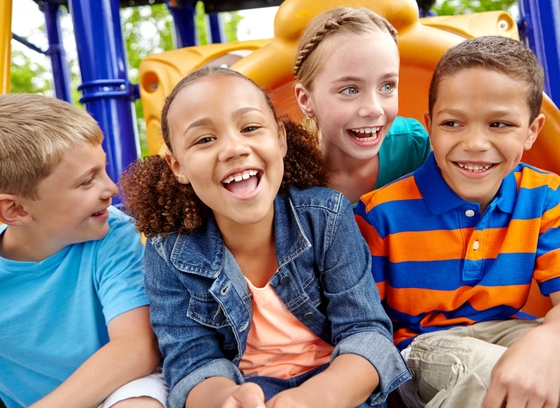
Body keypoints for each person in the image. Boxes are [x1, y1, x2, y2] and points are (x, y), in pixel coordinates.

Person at [119, 66, 410, 408]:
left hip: (337, 388)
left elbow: (367, 335)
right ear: (177, 165)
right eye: (204, 139)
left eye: (250, 127)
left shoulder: (327, 216)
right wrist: (227, 399)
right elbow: (191, 361)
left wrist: (309, 400)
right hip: (243, 391)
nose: (233, 148)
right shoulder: (167, 250)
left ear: (280, 139)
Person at [355, 36, 560, 408]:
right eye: (453, 123)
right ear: (430, 127)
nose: (476, 143)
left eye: (499, 124)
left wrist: (550, 341)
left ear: (532, 130)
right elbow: (361, 326)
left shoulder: (544, 197)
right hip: (417, 349)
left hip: (504, 332)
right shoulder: (381, 214)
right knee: (489, 373)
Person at [0, 94, 168, 408]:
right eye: (87, 181)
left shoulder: (112, 234)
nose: (112, 189)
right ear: (16, 210)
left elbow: (138, 348)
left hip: (122, 386)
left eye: (102, 170)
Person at [293, 7, 432, 204]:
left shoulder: (412, 147)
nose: (374, 109)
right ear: (306, 100)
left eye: (387, 86)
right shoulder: (290, 171)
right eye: (350, 90)